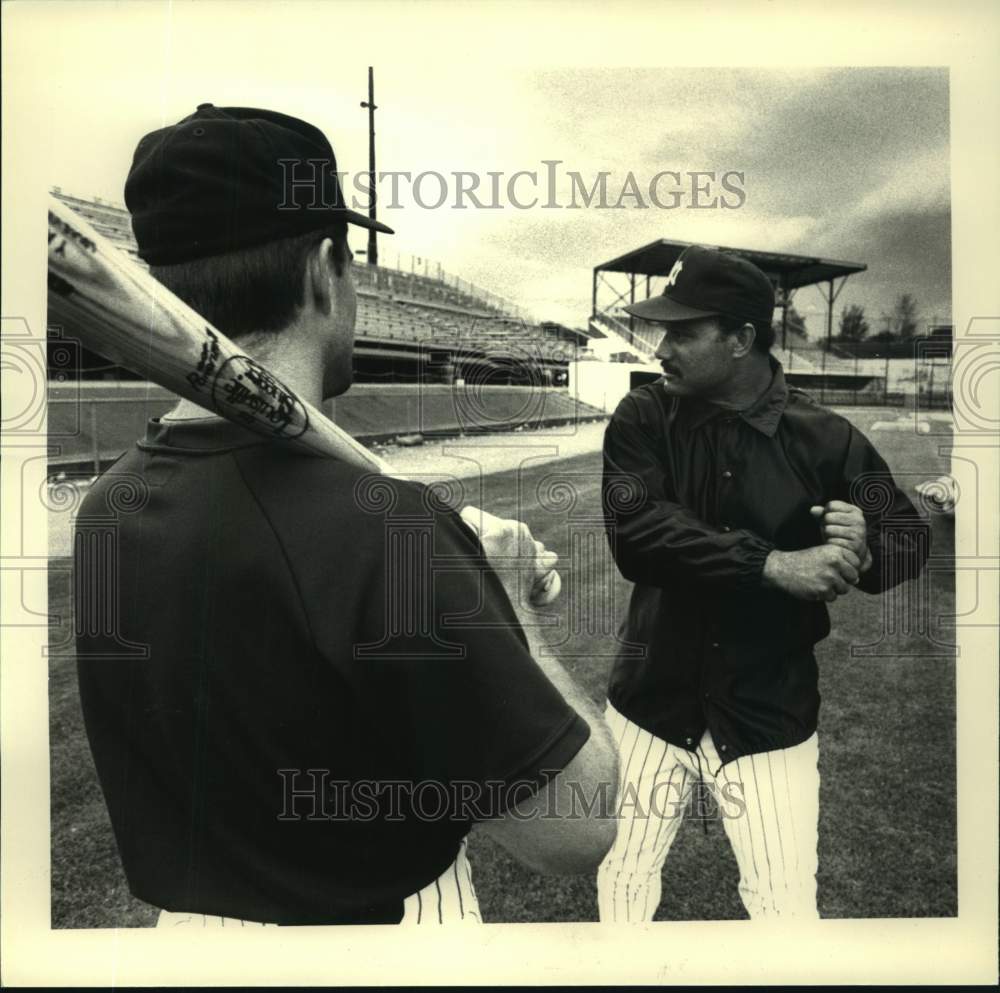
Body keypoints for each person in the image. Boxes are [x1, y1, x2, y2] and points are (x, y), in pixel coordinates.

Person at [73, 103, 616, 927]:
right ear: (326, 270)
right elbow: (575, 829)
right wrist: (504, 599)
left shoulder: (107, 506)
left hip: (186, 941)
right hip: (383, 936)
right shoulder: (389, 532)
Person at [596, 245, 929, 921]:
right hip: (649, 704)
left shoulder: (828, 439)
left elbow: (907, 538)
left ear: (741, 339)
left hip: (767, 712)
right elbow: (638, 532)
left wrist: (863, 551)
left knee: (784, 909)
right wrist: (772, 564)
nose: (661, 349)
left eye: (683, 332)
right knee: (622, 882)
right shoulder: (642, 417)